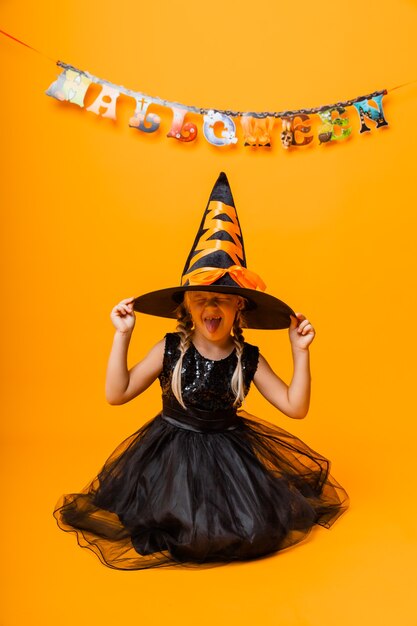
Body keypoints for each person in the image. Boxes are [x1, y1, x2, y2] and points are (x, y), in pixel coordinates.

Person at [53, 172, 349, 570]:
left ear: (239, 308)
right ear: (187, 307)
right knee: (177, 526)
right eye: (202, 299)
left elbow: (295, 408)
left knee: (241, 529)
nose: (212, 308)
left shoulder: (248, 359)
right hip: (170, 456)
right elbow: (116, 393)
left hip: (230, 457)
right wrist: (122, 335)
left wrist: (300, 352)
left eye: (223, 301)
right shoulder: (171, 349)